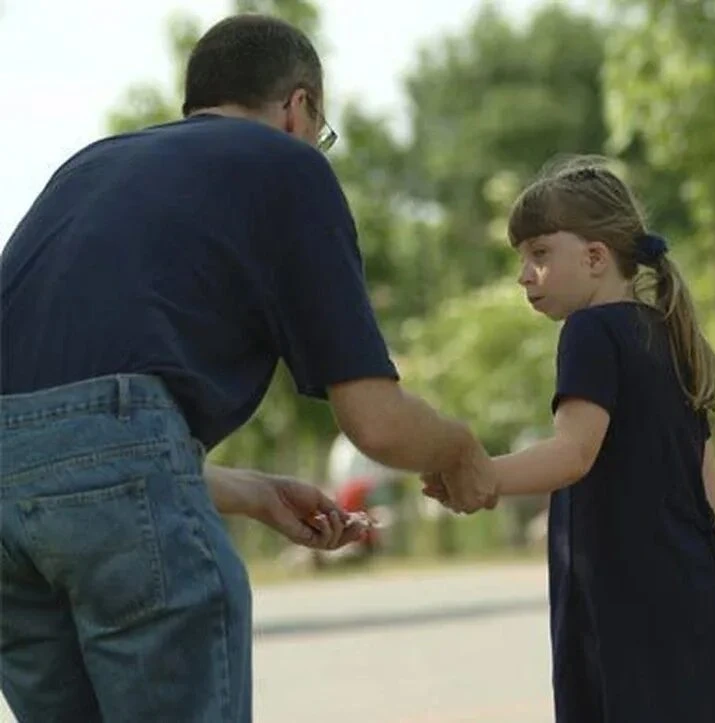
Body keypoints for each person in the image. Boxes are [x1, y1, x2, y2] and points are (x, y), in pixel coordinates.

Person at [0, 13, 495, 723]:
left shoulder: (89, 166)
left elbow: (60, 435)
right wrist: (461, 448)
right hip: (110, 496)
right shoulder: (287, 165)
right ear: (300, 108)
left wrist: (250, 489)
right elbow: (376, 422)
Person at [424, 157, 715, 721]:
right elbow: (707, 492)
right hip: (704, 599)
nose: (524, 274)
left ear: (595, 257)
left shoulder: (590, 332)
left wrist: (481, 474)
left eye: (540, 254)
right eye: (521, 258)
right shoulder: (669, 331)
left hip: (632, 615)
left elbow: (573, 453)